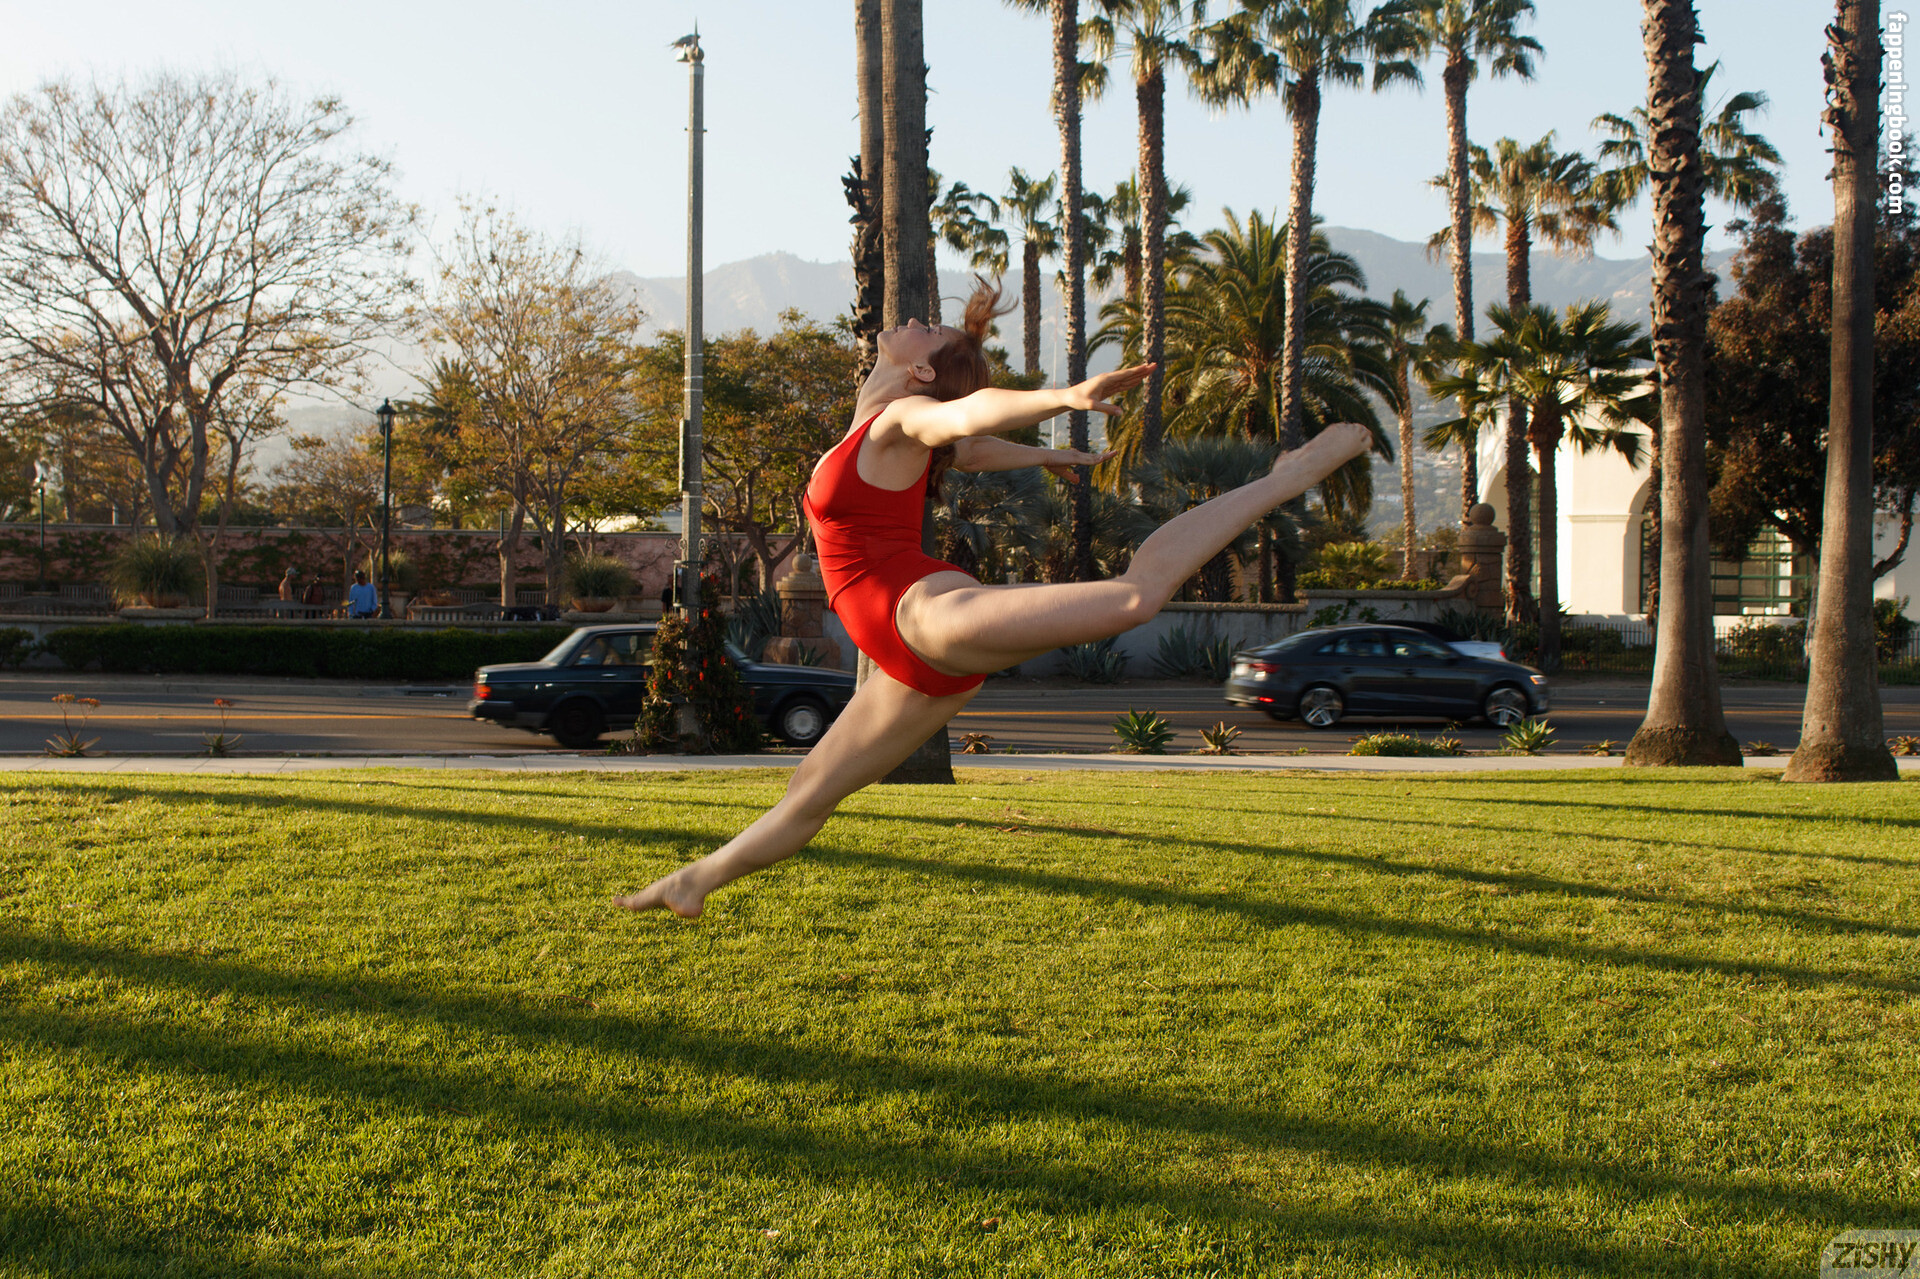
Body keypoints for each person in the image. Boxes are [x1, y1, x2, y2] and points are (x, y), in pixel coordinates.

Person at [615, 280, 1373, 919]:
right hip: (909, 665)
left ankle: (1285, 477)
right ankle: (694, 882)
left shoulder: (902, 418)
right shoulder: (876, 423)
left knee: (1136, 599)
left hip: (924, 616)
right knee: (807, 794)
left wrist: (1065, 398)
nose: (920, 318)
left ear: (919, 371)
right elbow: (971, 449)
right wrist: (1050, 451)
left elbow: (963, 419)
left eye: (930, 330)